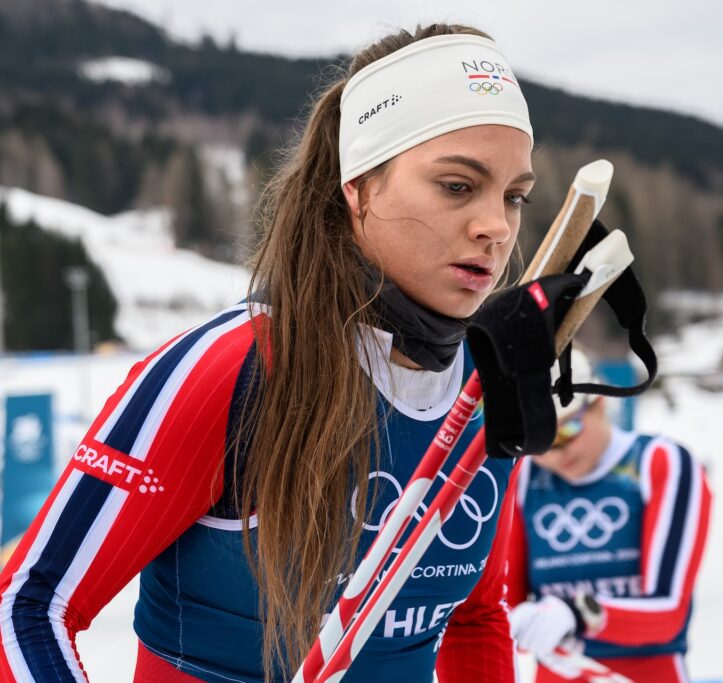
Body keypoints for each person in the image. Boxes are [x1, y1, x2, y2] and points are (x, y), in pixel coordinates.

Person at [0, 24, 536, 683]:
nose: (498, 226)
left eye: (515, 195)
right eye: (458, 185)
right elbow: (27, 604)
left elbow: (474, 620)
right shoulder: (232, 369)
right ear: (358, 189)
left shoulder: (488, 387)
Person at [507, 350, 712, 683]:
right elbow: (505, 612)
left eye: (565, 433)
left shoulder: (660, 463)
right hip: (560, 672)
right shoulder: (524, 479)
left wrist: (577, 613)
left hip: (647, 672)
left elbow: (667, 612)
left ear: (599, 404)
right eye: (536, 443)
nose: (555, 455)